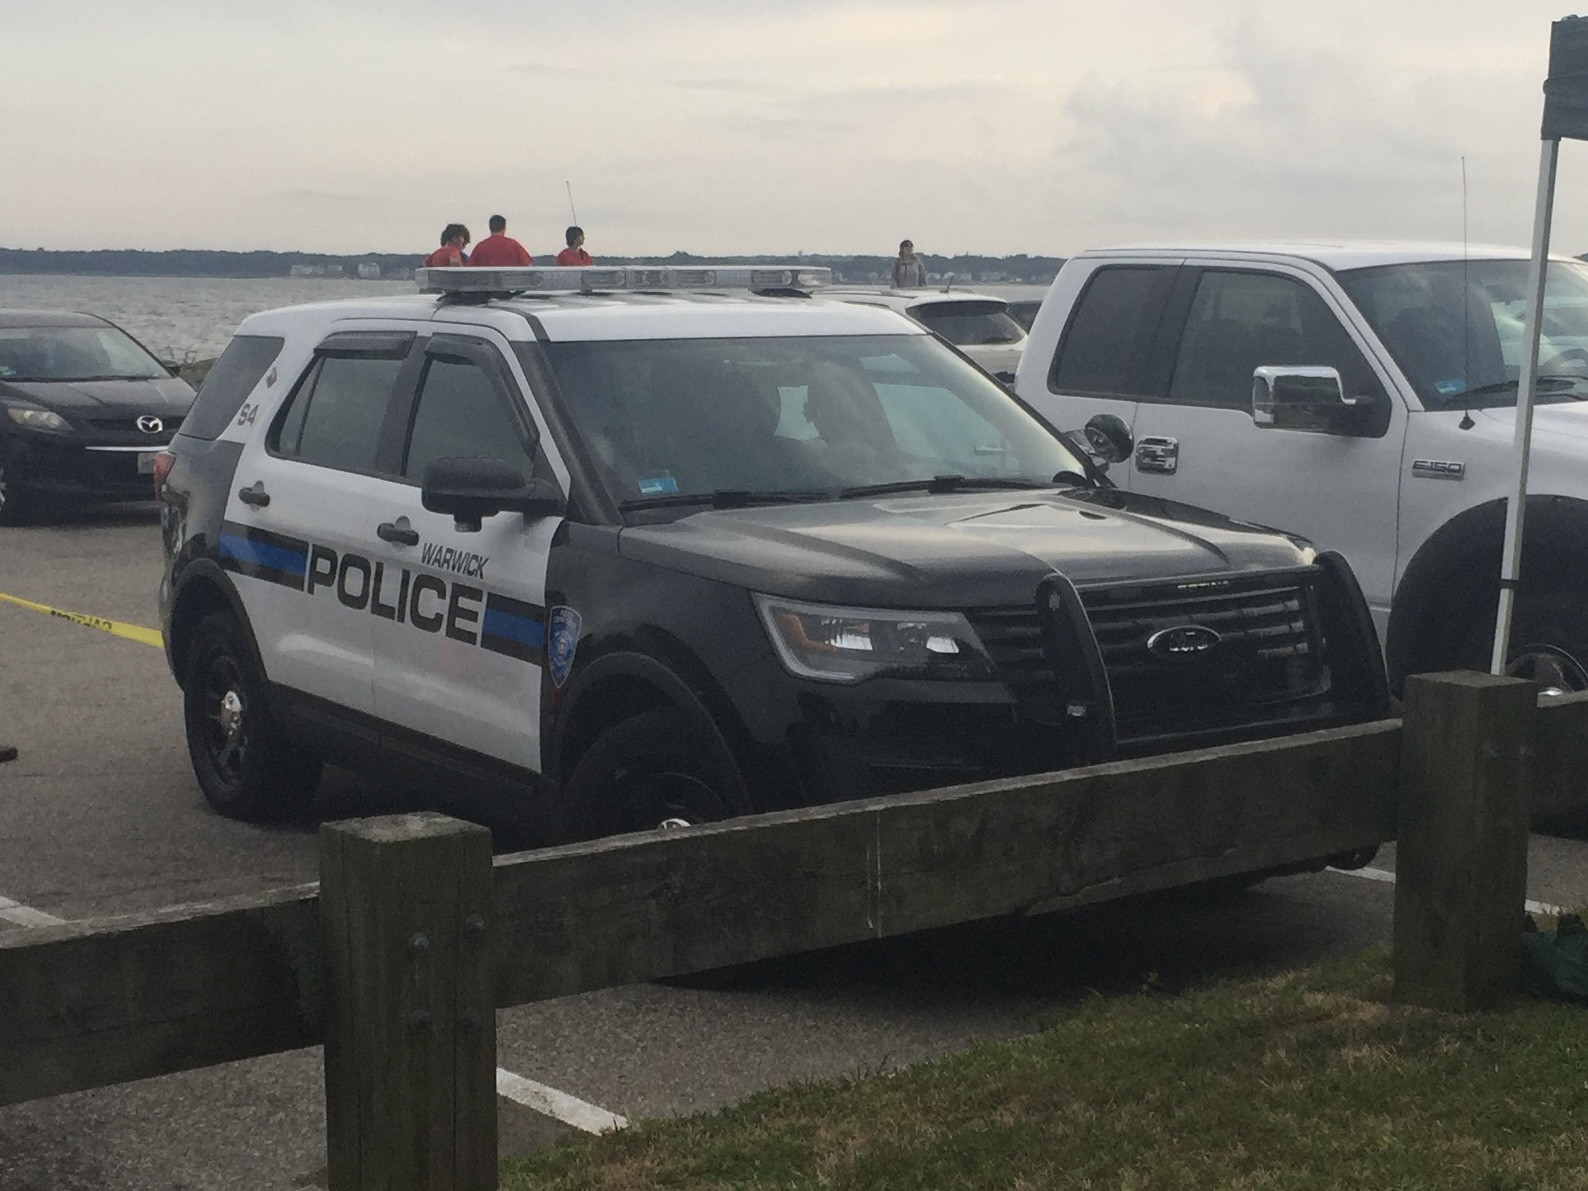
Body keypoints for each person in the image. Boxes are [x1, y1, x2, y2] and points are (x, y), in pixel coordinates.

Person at [468, 215, 533, 266]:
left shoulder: (480, 247)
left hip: (486, 282)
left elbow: (470, 269)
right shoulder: (513, 245)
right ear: (504, 228)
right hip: (510, 281)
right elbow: (527, 264)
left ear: (490, 228)